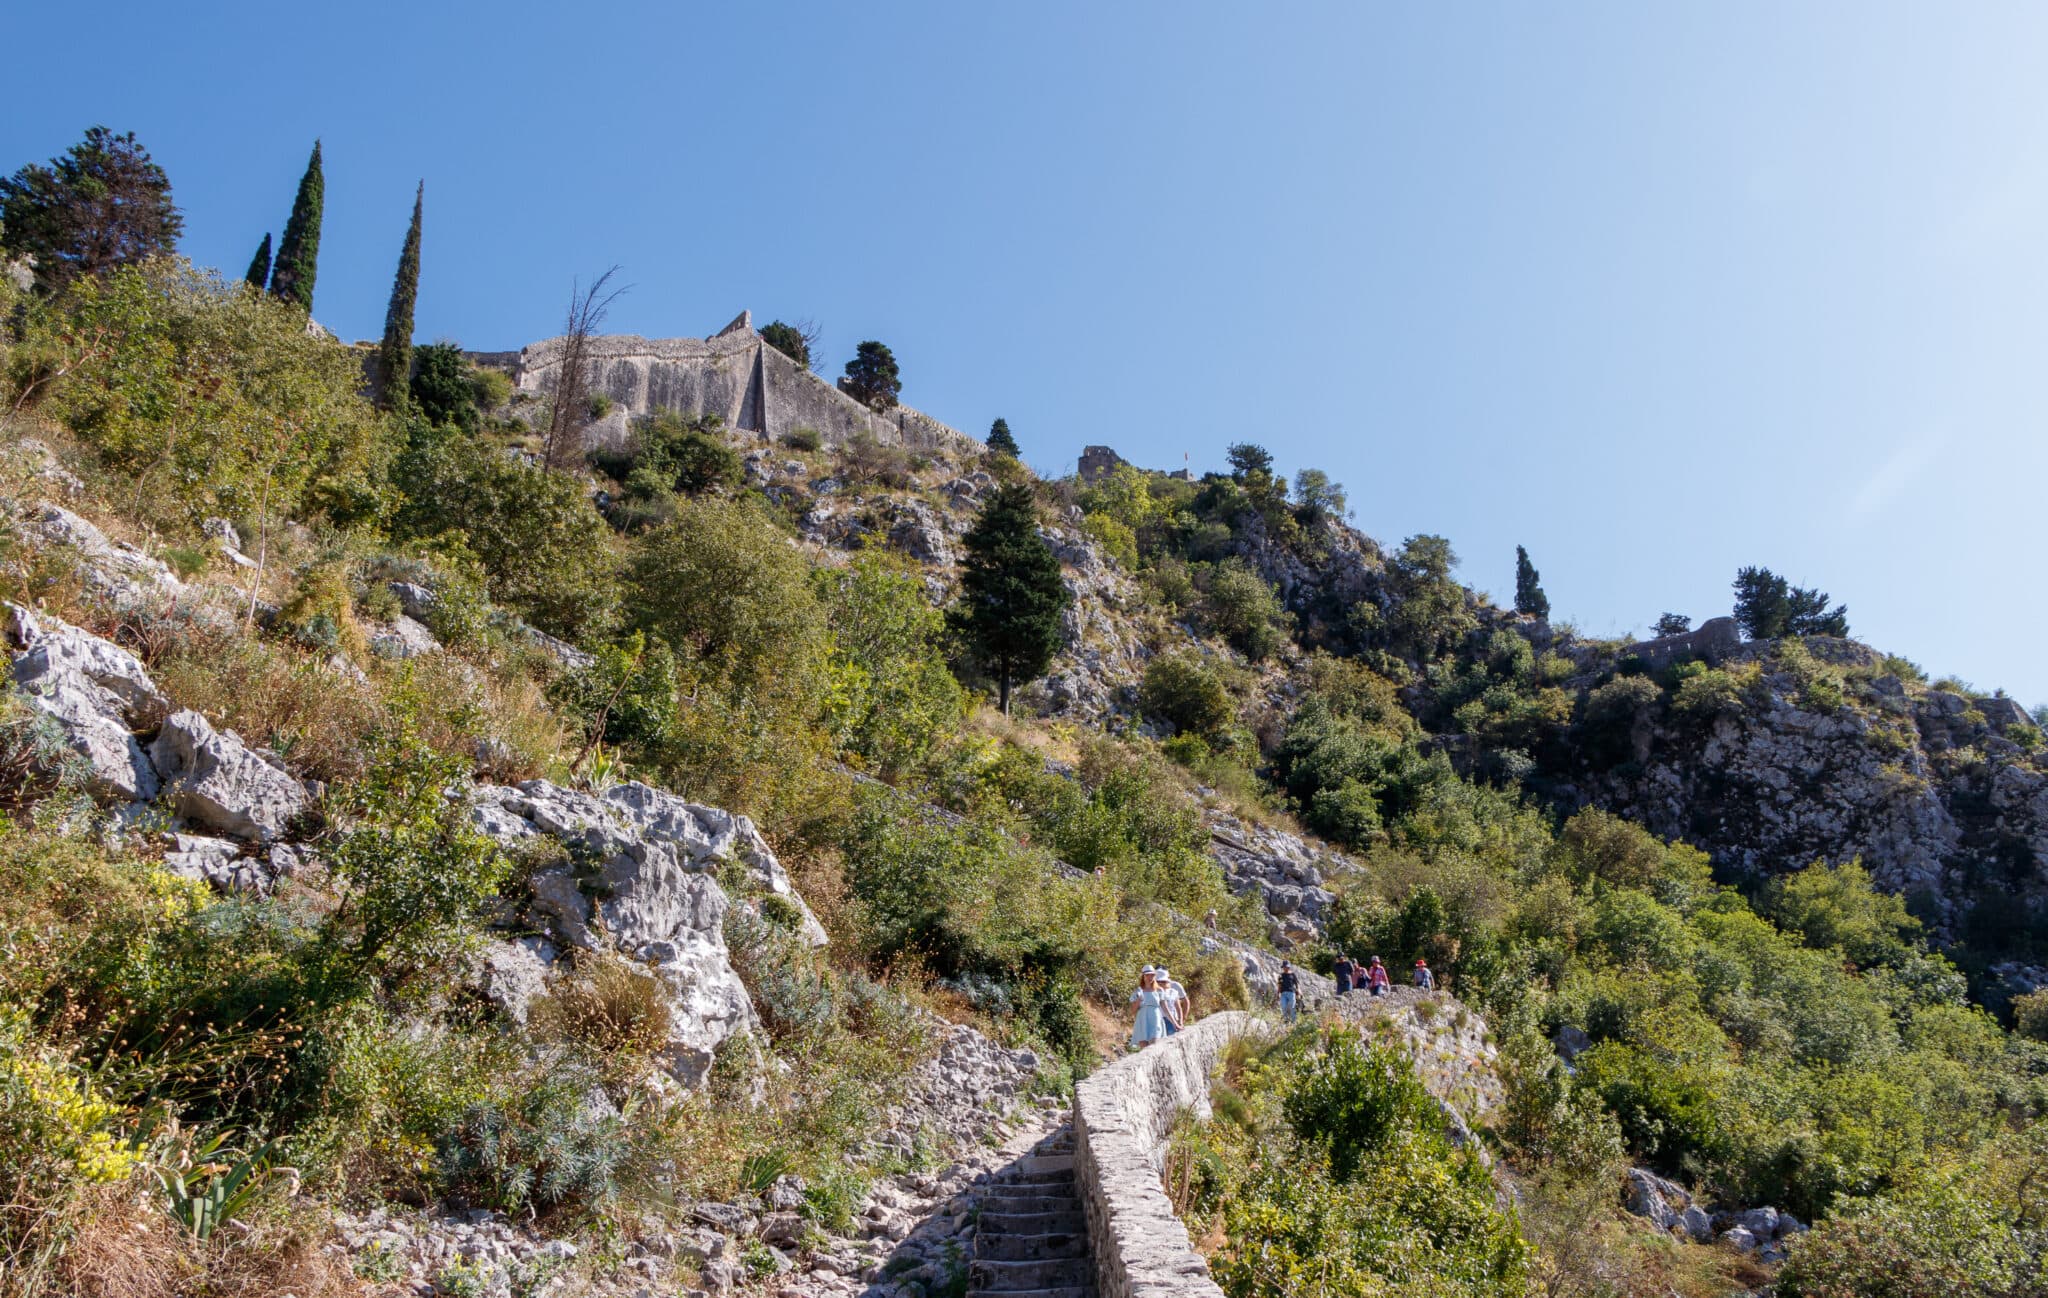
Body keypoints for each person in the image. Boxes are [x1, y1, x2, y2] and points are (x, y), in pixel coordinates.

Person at [1129, 968, 1167, 1049]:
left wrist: (1176, 1023)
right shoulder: (1138, 991)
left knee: (1155, 1046)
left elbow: (1165, 1008)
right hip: (1142, 1020)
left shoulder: (1159, 990)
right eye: (1147, 975)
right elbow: (1132, 1011)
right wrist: (1138, 1000)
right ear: (1143, 976)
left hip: (1155, 1019)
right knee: (1144, 1049)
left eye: (1152, 975)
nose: (1150, 977)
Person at [1157, 966, 1186, 1034]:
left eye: (1163, 981)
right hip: (1158, 1020)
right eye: (1158, 981)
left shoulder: (1173, 992)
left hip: (1171, 1020)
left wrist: (1180, 1021)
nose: (1160, 983)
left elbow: (1179, 1008)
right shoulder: (1154, 993)